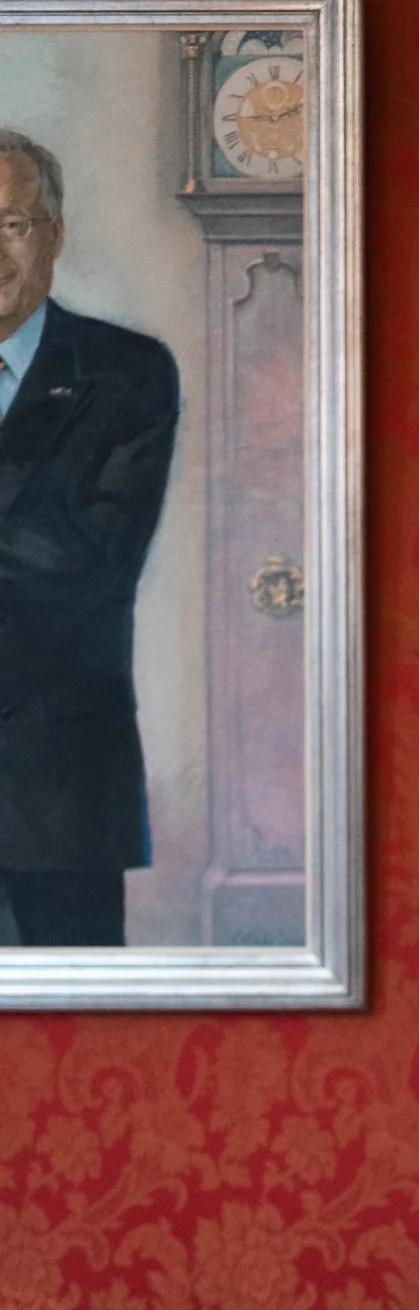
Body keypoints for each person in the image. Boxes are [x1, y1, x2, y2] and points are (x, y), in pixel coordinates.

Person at [0, 130, 179, 946]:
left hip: (59, 803)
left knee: (84, 1058)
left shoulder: (127, 372)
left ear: (54, 234)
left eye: (11, 224)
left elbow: (91, 566)